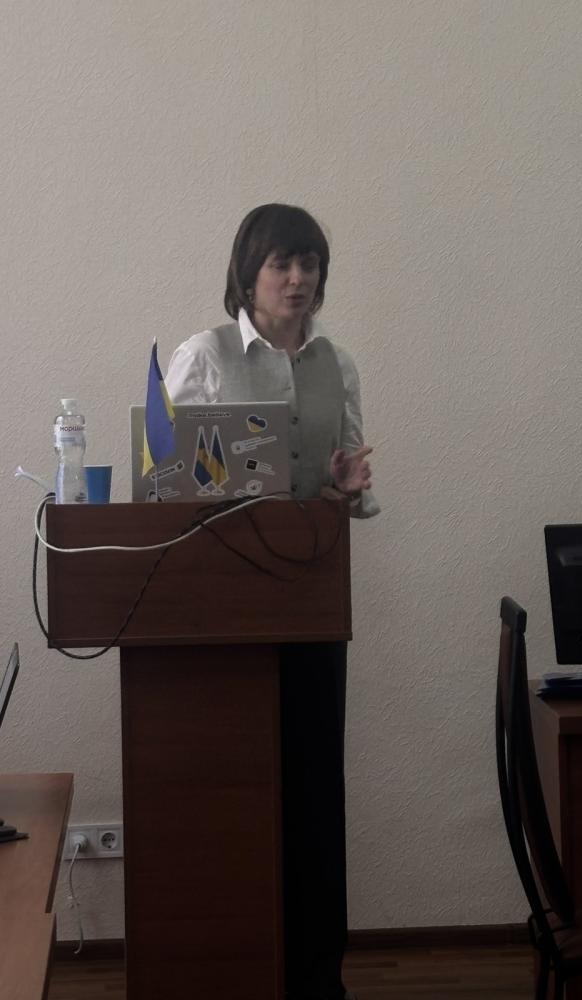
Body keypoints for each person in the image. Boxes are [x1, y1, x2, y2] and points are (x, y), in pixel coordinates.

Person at [165, 203, 379, 1000]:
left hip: (311, 603)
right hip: (223, 615)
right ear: (247, 275)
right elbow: (166, 486)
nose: (297, 279)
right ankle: (233, 967)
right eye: (281, 264)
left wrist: (345, 486)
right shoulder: (205, 355)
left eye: (309, 264)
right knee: (233, 791)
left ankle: (318, 976)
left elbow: (348, 490)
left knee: (316, 796)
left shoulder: (336, 363)